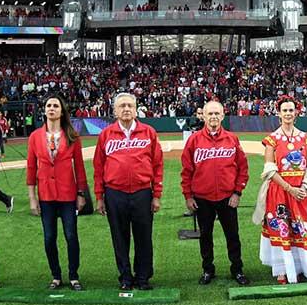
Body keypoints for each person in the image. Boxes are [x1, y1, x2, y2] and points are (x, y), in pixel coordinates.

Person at [253, 96, 307, 284]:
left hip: (300, 192)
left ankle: (302, 267)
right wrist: (289, 188)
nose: (288, 113)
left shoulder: (305, 138)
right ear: (278, 113)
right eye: (284, 110)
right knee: (282, 228)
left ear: (296, 113)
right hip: (279, 191)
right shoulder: (271, 140)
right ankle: (282, 269)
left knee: (301, 229)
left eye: (291, 110)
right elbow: (270, 170)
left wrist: (303, 186)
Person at [93, 93, 163, 290]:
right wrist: (99, 196)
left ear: (135, 109)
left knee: (143, 237)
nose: (126, 109)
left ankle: (143, 277)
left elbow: (158, 165)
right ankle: (125, 277)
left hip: (142, 192)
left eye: (130, 106)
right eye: (122, 106)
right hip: (114, 193)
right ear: (115, 111)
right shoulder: (106, 135)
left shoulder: (148, 132)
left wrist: (156, 195)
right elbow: (99, 168)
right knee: (119, 237)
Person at [180, 101, 250, 286]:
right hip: (202, 198)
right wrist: (188, 195)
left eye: (216, 113)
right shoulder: (194, 140)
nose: (213, 117)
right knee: (205, 236)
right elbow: (186, 170)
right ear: (203, 115)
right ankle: (207, 269)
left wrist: (237, 192)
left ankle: (237, 269)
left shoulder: (231, 139)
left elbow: (243, 168)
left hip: (228, 198)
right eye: (209, 113)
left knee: (233, 236)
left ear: (223, 115)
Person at [27, 96, 88, 291]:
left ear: (62, 111)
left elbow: (79, 167)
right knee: (49, 237)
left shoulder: (72, 136)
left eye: (55, 106)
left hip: (67, 194)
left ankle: (73, 275)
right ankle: (55, 275)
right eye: (48, 106)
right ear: (44, 110)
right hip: (46, 195)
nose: (51, 108)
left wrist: (81, 193)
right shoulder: (35, 137)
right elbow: (30, 168)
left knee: (71, 236)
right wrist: (32, 197)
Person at [182, 106, 205, 217]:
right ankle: (192, 208)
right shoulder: (194, 124)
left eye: (202, 113)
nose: (200, 116)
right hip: (194, 160)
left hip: (206, 162)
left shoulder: (207, 126)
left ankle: (216, 212)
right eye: (198, 113)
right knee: (191, 183)